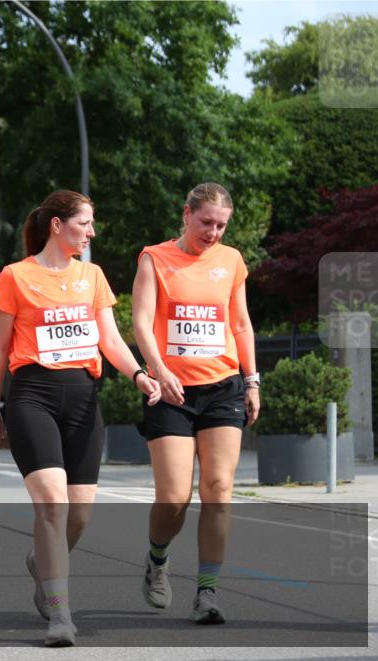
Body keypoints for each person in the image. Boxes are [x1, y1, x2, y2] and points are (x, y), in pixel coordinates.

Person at [0, 190, 160, 647]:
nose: (92, 232)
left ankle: (43, 561)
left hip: (82, 398)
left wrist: (138, 373)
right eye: (85, 223)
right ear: (57, 225)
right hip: (32, 396)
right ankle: (60, 615)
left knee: (79, 514)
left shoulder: (92, 276)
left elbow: (111, 340)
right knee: (53, 507)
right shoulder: (14, 276)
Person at [132, 182, 259, 625]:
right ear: (186, 214)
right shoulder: (155, 258)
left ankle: (207, 593)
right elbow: (141, 322)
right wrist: (157, 370)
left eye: (221, 225)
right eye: (206, 222)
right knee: (174, 498)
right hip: (171, 390)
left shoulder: (231, 261)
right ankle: (157, 559)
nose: (213, 232)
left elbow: (241, 324)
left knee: (219, 490)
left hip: (223, 386)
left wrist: (252, 379)